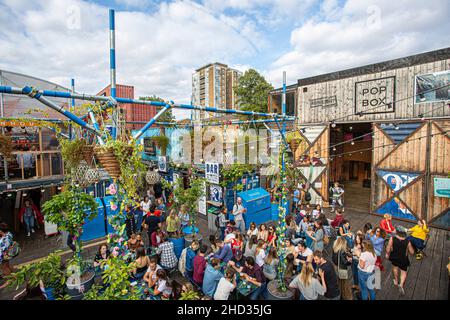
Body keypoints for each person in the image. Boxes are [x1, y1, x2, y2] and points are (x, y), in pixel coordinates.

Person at [385, 226, 415, 296]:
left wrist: (387, 253)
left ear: (397, 232)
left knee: (395, 268)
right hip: (403, 259)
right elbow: (412, 252)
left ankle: (396, 280)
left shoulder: (392, 238)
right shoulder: (407, 242)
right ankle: (401, 284)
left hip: (394, 257)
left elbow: (388, 248)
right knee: (403, 272)